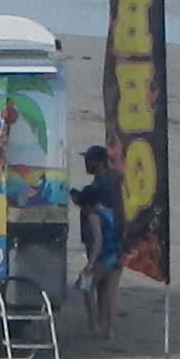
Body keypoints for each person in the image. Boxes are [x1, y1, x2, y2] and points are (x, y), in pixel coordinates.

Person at [74, 142, 125, 342]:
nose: (87, 163)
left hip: (103, 250)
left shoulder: (100, 188)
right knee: (108, 291)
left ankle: (94, 324)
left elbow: (98, 239)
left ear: (101, 163)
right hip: (118, 247)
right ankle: (108, 328)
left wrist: (90, 263)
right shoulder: (113, 182)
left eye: (90, 160)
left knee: (88, 285)